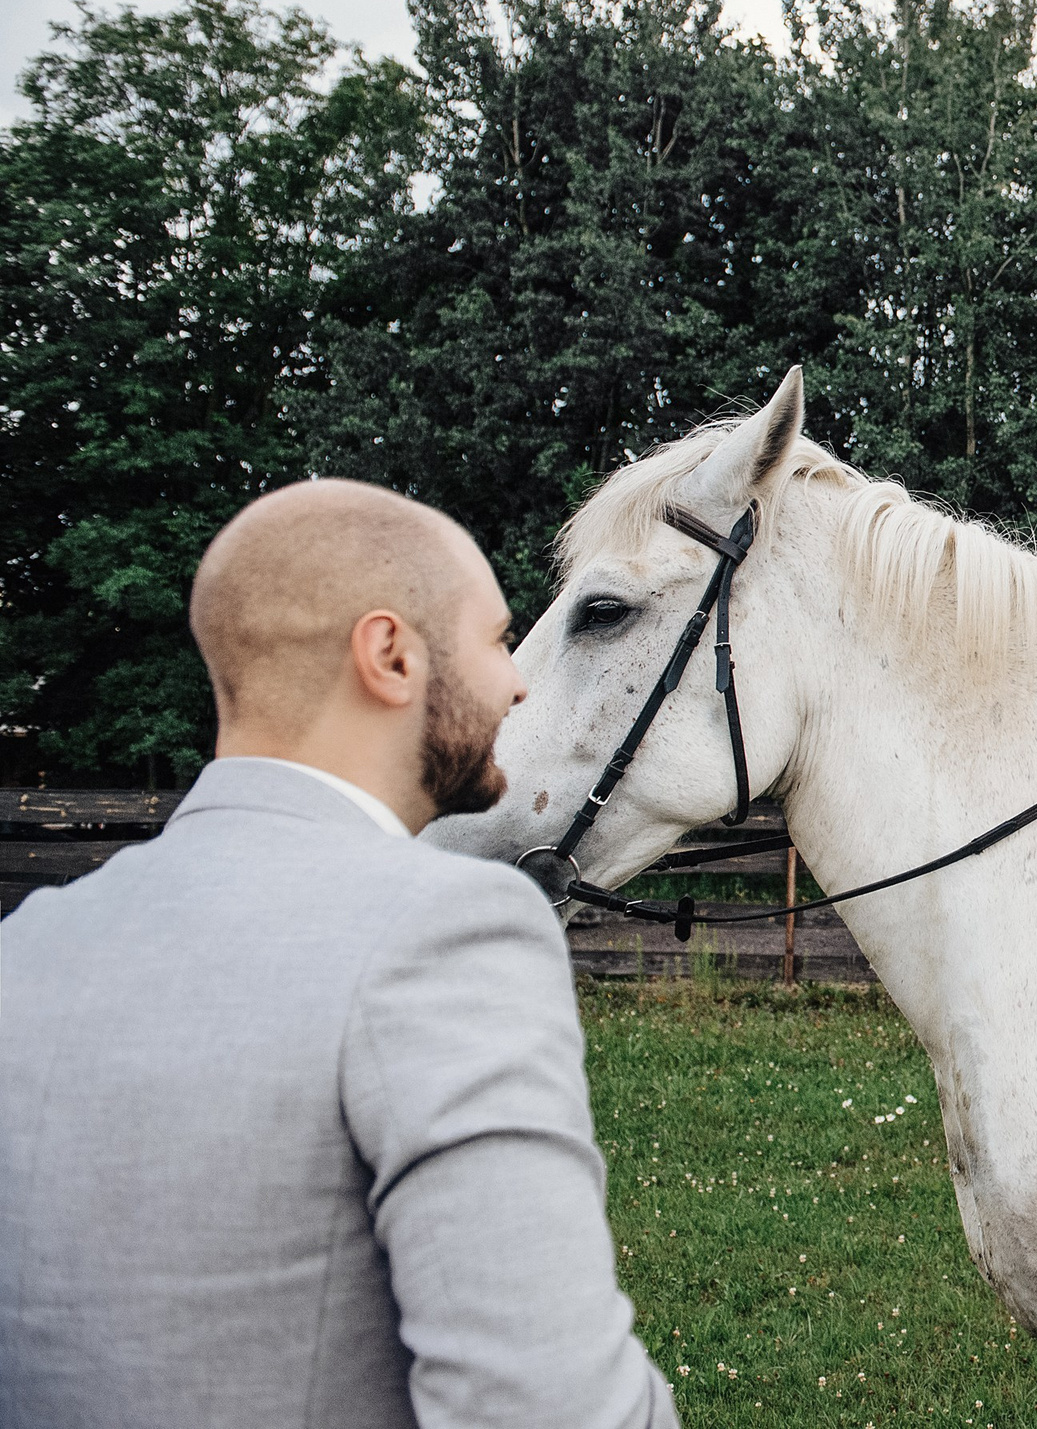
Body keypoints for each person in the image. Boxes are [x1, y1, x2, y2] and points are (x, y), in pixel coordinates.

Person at [0, 480, 678, 1429]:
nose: (519, 683)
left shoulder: (27, 949)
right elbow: (550, 1408)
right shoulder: (448, 933)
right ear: (391, 655)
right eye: (494, 640)